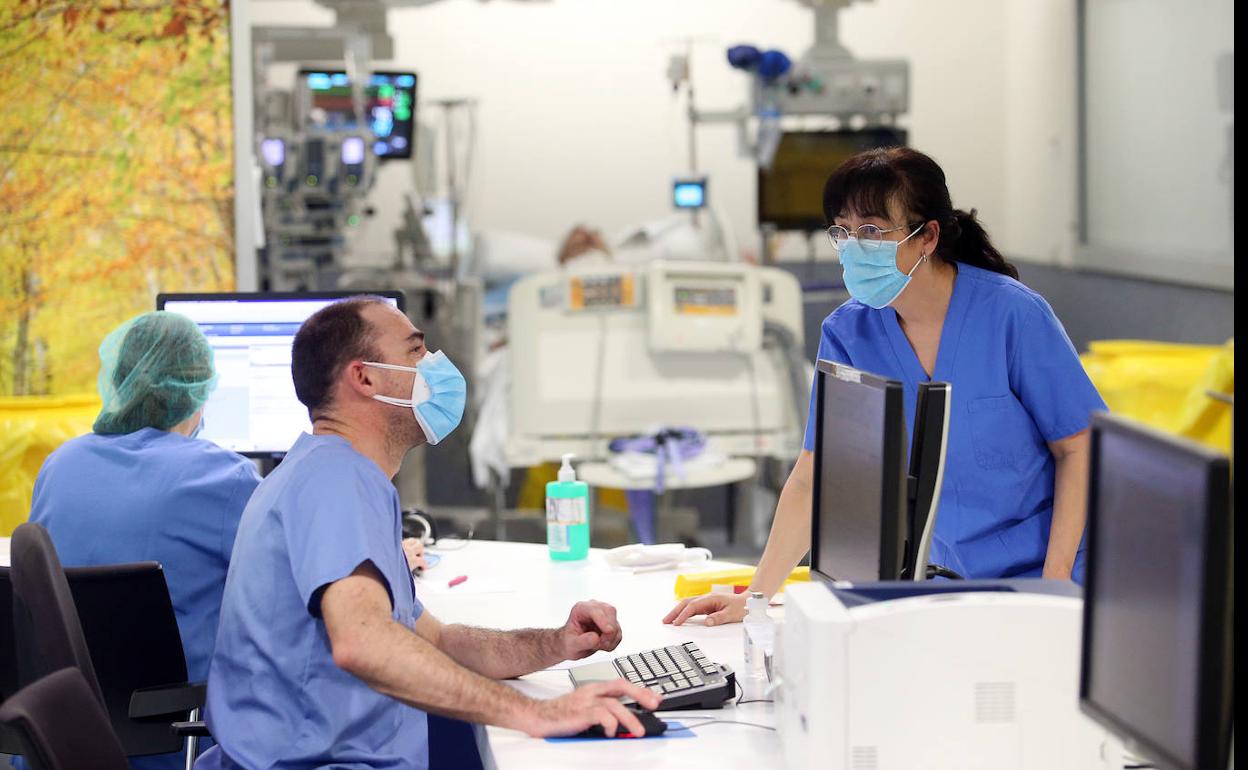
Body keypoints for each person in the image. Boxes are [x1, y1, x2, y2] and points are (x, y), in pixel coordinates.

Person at [196, 297, 660, 770]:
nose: (434, 367)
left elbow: (436, 640)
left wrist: (556, 643)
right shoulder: (335, 480)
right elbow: (363, 640)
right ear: (365, 377)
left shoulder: (330, 474)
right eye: (416, 352)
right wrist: (535, 713)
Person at [665, 147, 1107, 627]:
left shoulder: (1012, 315)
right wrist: (754, 597)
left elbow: (1079, 447)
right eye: (844, 231)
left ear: (927, 237)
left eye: (873, 231)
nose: (855, 246)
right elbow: (817, 474)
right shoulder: (850, 333)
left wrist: (1054, 583)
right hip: (947, 583)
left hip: (1052, 574)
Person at [27, 311, 262, 770]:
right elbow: (290, 590)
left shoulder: (58, 466)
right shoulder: (227, 479)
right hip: (173, 746)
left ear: (117, 381)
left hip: (54, 738)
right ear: (198, 394)